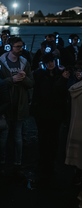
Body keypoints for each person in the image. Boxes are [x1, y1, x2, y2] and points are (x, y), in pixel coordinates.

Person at [0, 37, 34, 177]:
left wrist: (24, 79)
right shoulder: (1, 62)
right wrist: (11, 80)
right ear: (11, 47)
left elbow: (31, 83)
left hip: (20, 103)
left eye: (21, 46)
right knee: (5, 136)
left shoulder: (25, 63)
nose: (21, 49)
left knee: (17, 136)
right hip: (6, 104)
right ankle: (3, 162)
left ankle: (16, 163)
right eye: (18, 47)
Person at [32, 53, 70, 187]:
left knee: (51, 138)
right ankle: (46, 163)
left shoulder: (44, 75)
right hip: (46, 112)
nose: (50, 64)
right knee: (45, 138)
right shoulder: (43, 75)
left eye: (52, 61)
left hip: (52, 113)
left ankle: (48, 163)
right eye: (48, 62)